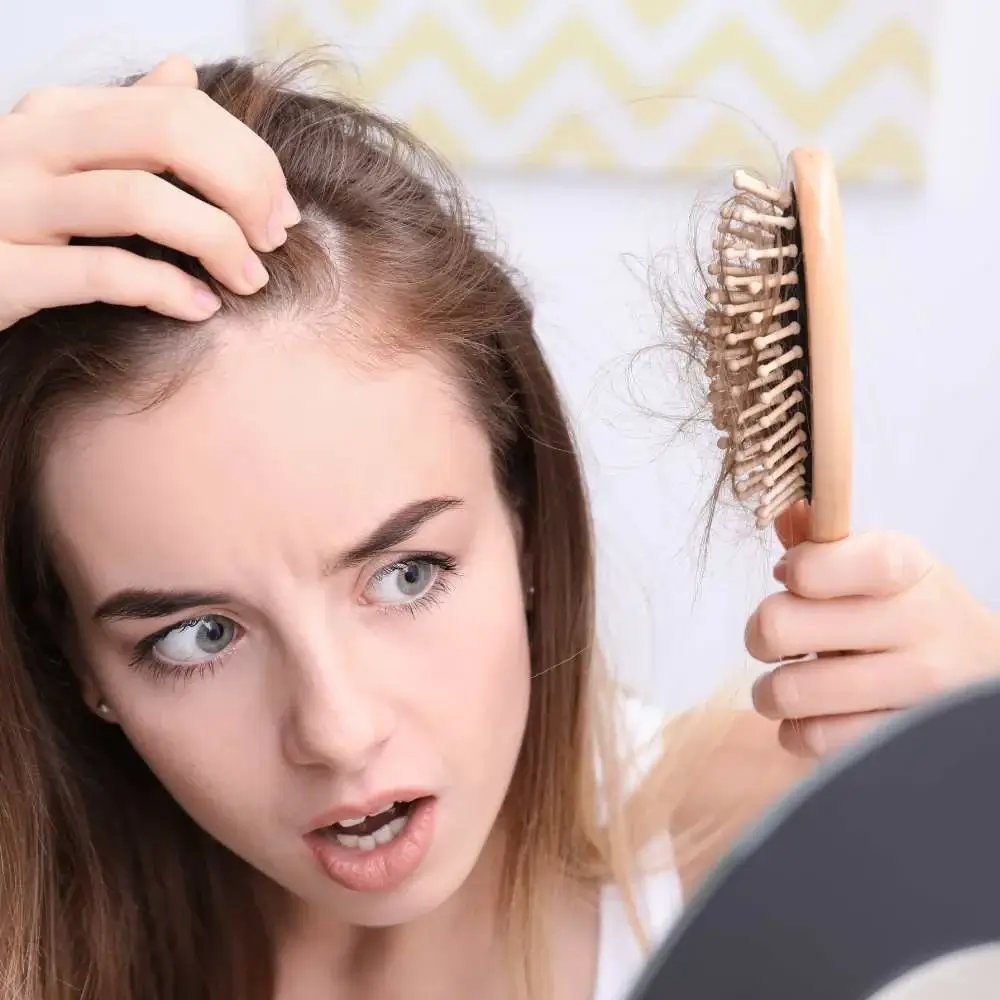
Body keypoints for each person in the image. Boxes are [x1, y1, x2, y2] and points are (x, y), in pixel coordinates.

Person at [0, 53, 996, 1000]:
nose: (339, 731)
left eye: (406, 574)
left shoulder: (766, 847)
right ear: (78, 658)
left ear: (522, 513)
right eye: (197, 635)